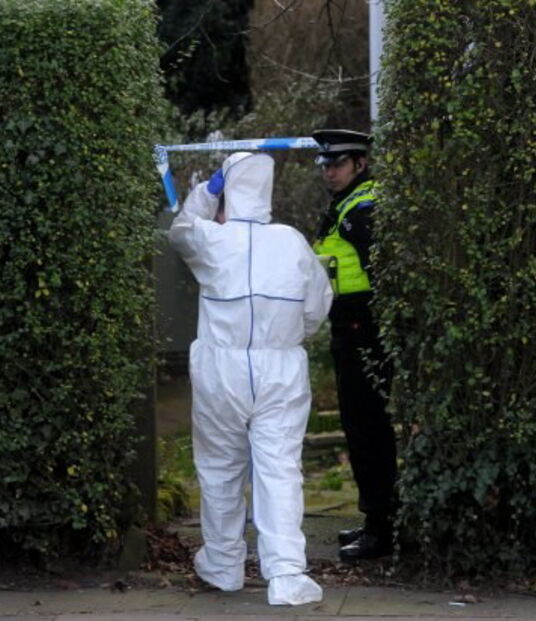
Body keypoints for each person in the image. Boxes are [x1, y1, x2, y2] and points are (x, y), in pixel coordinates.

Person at [168, 152, 333, 606]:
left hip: (221, 370)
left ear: (228, 194)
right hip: (280, 368)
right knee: (280, 469)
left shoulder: (211, 240)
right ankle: (286, 575)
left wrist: (208, 191)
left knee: (220, 469)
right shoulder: (292, 242)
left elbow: (180, 227)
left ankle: (223, 566)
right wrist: (286, 339)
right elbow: (318, 305)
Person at [311, 129, 397, 561]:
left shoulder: (361, 212)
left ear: (360, 165)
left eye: (338, 163)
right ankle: (375, 521)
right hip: (352, 328)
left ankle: (381, 531)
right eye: (325, 164)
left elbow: (388, 275)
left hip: (365, 330)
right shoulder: (345, 207)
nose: (329, 171)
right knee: (362, 429)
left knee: (369, 432)